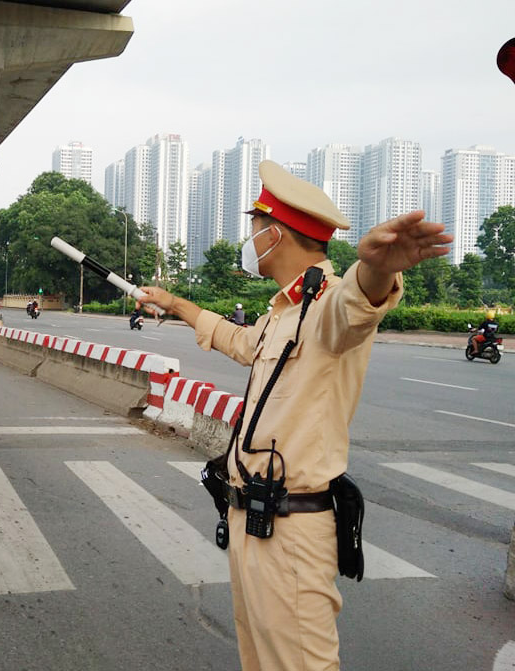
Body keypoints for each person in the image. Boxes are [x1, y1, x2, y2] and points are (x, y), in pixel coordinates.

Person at [138, 160, 452, 671]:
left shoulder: (326, 303)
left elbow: (358, 303)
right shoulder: (285, 310)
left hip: (293, 528)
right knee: (259, 661)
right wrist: (173, 302)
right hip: (250, 519)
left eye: (254, 228)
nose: (250, 239)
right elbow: (236, 339)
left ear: (274, 234)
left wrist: (376, 266)